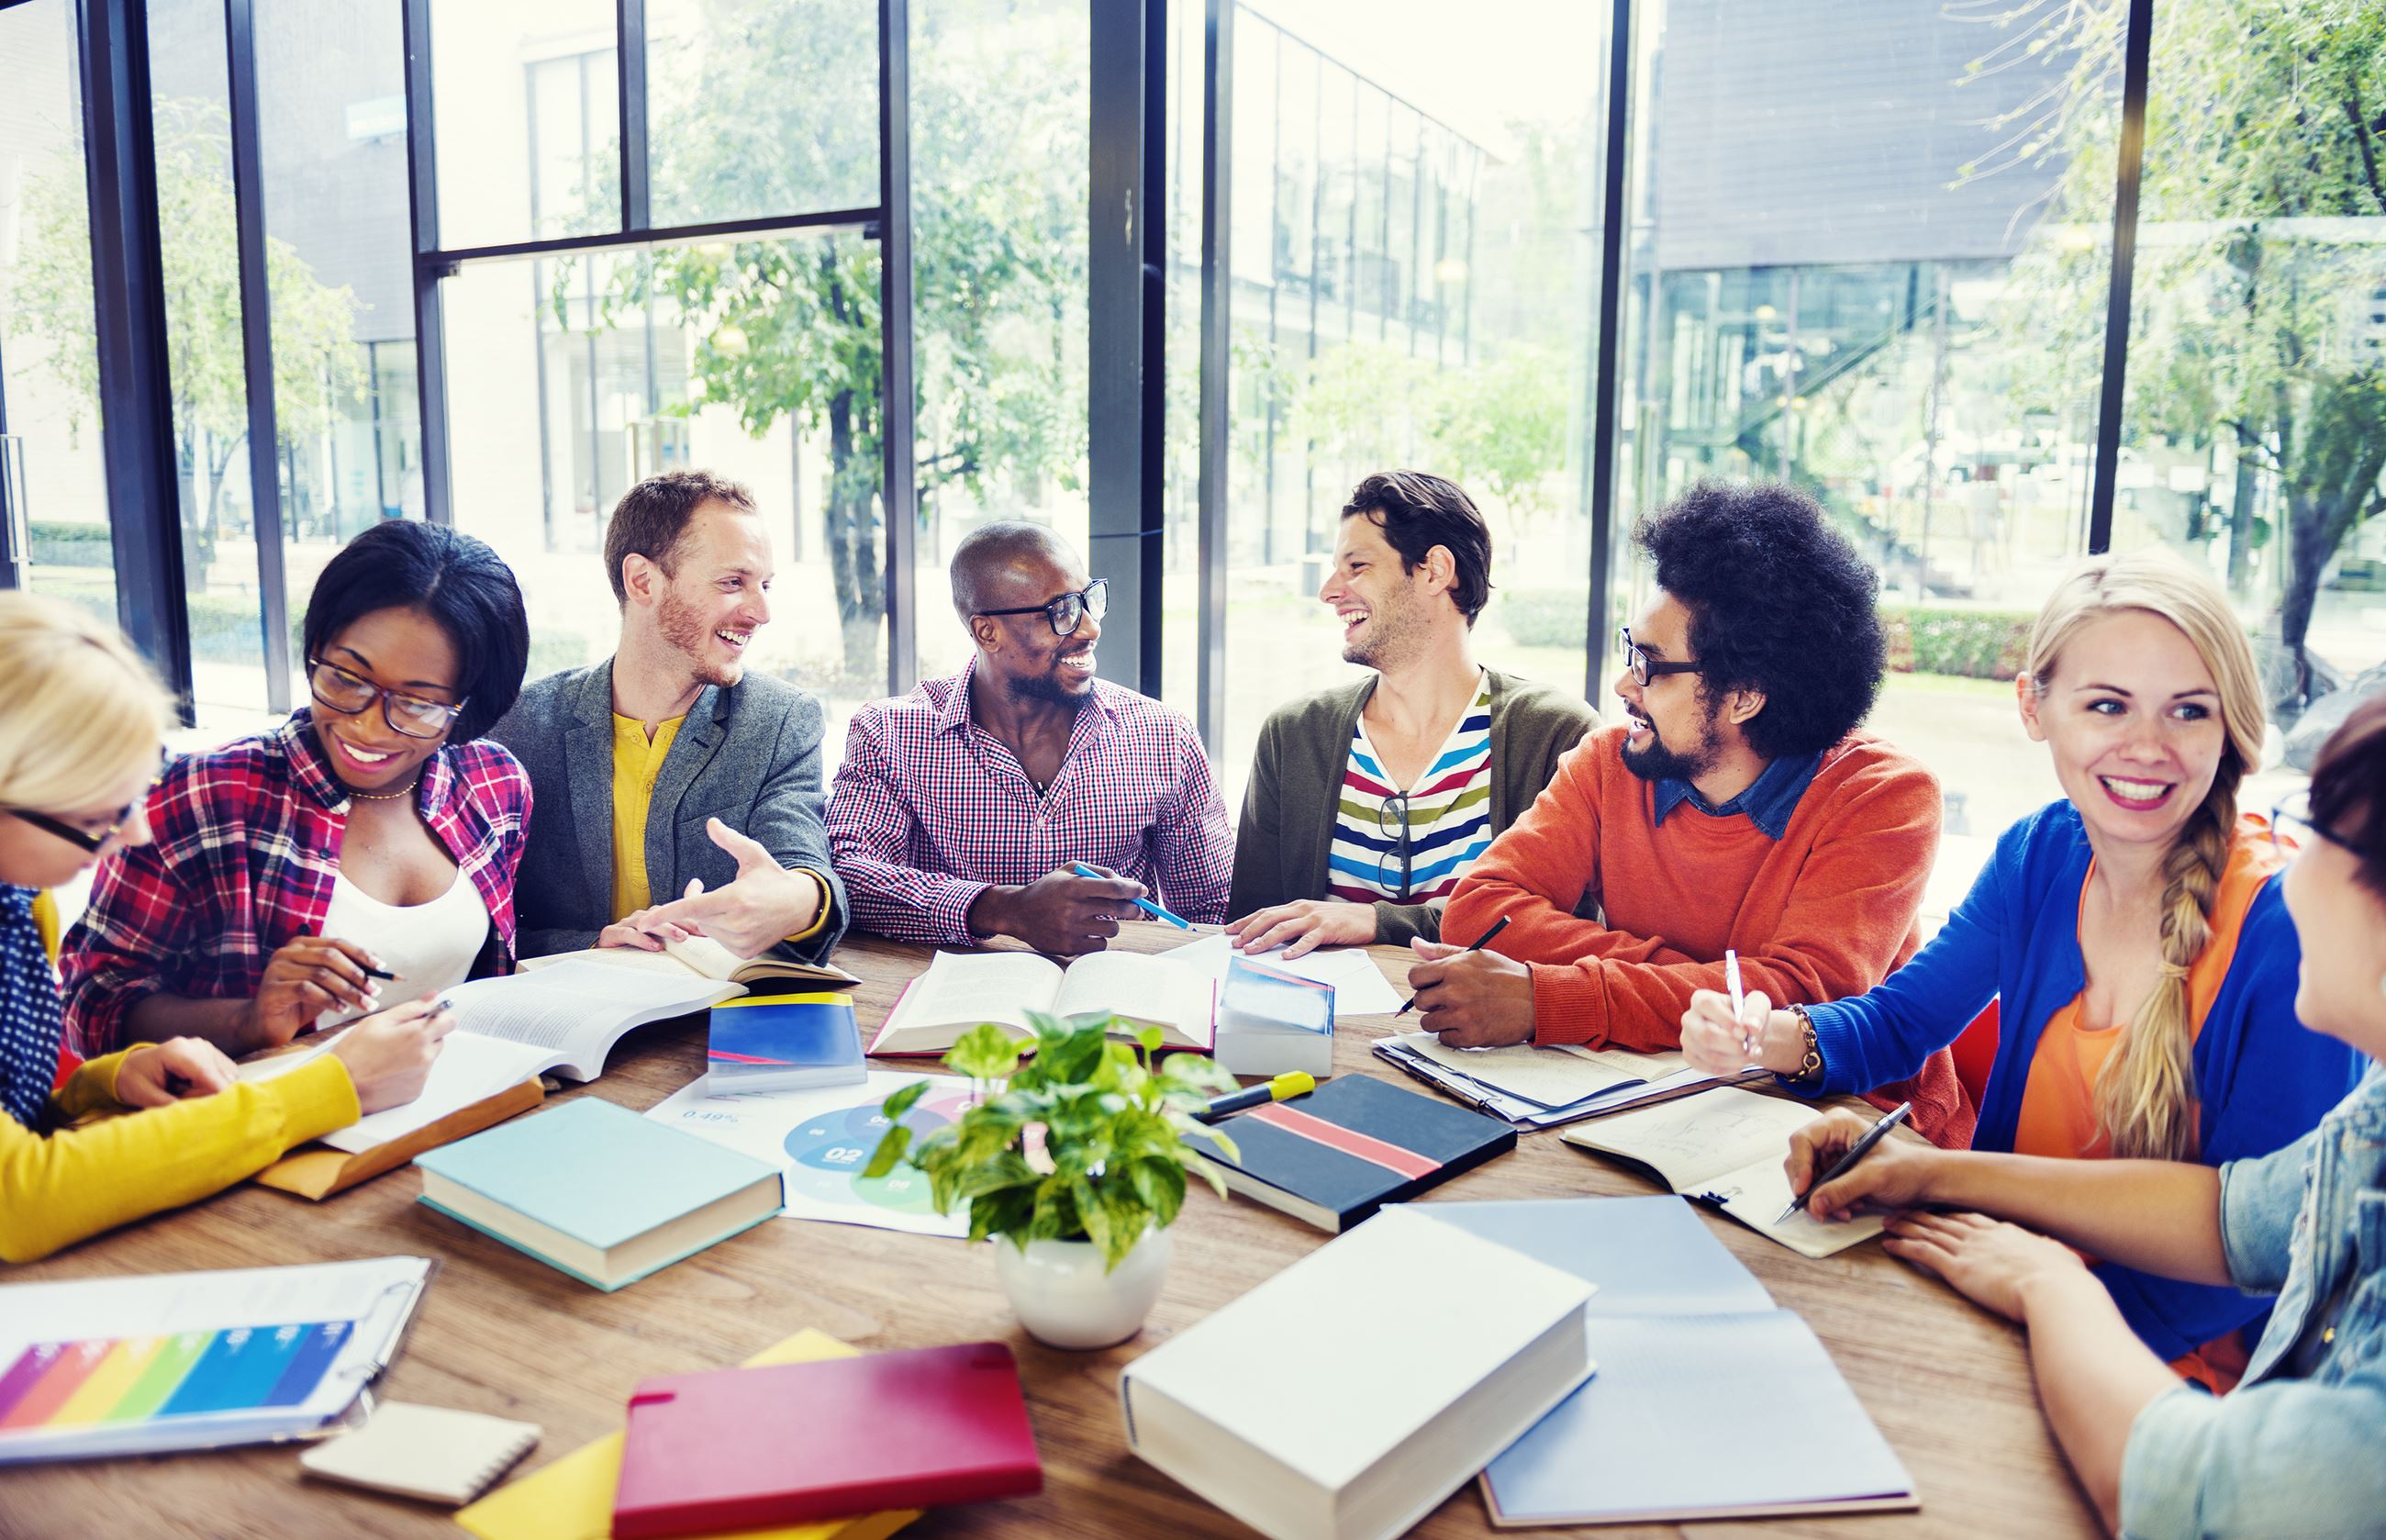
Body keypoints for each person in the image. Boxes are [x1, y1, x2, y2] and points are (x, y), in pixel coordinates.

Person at [1681, 550, 2363, 1386]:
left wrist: (2033, 1324)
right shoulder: (2039, 854)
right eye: (2107, 705)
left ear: (2230, 727)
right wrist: (1776, 1038)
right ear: (2034, 707)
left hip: (2167, 1374)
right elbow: (1903, 1023)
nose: (2147, 747)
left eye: (2188, 711)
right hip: (1998, 1299)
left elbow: (2260, 1251)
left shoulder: (2287, 931)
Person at [1776, 697, 2386, 1539]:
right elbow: (2233, 1214)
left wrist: (2050, 1287)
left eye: (2317, 828)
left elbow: (2201, 1495)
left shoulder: (2265, 919)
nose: (2297, 862)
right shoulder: (2378, 1118)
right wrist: (1932, 1170)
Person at [1416, 482, 1963, 1138]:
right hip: (1652, 1093)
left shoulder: (1881, 797)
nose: (1623, 684)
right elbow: (1480, 908)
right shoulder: (1610, 761)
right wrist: (1706, 987)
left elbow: (1805, 1002)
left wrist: (1554, 996)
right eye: (1629, 649)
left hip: (1849, 1125)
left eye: (1649, 664)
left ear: (1744, 698)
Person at [0, 593, 452, 1264]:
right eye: (100, 814)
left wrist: (112, 1081)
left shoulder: (19, 898)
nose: (135, 831)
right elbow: (21, 1202)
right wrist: (333, 1089)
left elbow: (22, 1109)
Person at [62, 520, 533, 1058]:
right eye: (346, 678)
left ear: (469, 705)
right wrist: (248, 1020)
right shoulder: (206, 794)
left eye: (417, 704)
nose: (368, 726)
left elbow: (493, 972)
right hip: (270, 1129)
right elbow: (90, 1007)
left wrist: (591, 956)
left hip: (464, 1109)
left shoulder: (494, 785)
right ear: (316, 647)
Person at [1225, 471, 1600, 955]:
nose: (1329, 591)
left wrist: (1378, 921)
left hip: (1490, 1031)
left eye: (1356, 566)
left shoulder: (1555, 733)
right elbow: (1252, 927)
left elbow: (1557, 927)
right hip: (1320, 1025)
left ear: (1434, 570)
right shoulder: (1293, 735)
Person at [490, 471, 847, 964]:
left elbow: (804, 864)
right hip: (564, 1016)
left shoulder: (781, 720)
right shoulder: (520, 727)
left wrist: (798, 900)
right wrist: (590, 946)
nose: (761, 611)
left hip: (707, 1023)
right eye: (732, 582)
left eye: (764, 585)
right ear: (643, 582)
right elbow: (482, 929)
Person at [827, 522, 1232, 954]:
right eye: (1060, 612)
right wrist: (1005, 909)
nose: (1090, 629)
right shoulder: (892, 733)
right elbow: (847, 876)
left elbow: (1213, 909)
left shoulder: (1163, 735)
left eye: (1088, 601)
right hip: (956, 1000)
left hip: (1116, 996)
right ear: (987, 632)